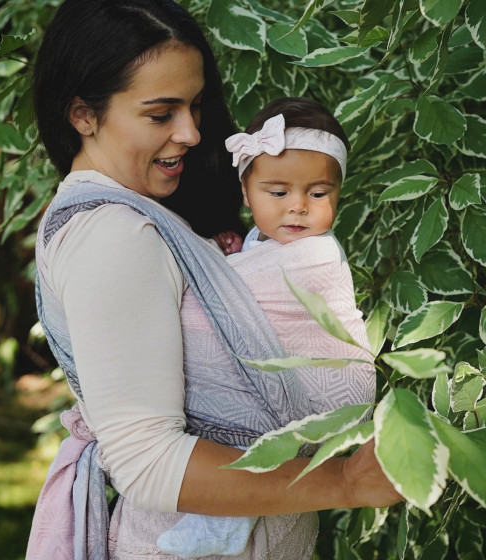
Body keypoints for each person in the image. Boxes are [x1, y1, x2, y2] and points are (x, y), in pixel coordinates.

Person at [26, 1, 403, 559]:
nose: (192, 132)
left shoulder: (140, 217)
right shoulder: (113, 236)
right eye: (161, 114)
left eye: (195, 106)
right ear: (83, 115)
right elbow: (148, 463)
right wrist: (344, 482)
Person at [156, 97, 375, 557]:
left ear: (337, 194)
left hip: (326, 383)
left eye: (318, 195)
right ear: (245, 192)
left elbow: (218, 295)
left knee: (236, 420)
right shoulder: (265, 239)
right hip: (293, 373)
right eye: (278, 193)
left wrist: (213, 262)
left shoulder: (315, 253)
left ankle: (224, 521)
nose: (298, 208)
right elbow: (247, 279)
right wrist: (232, 252)